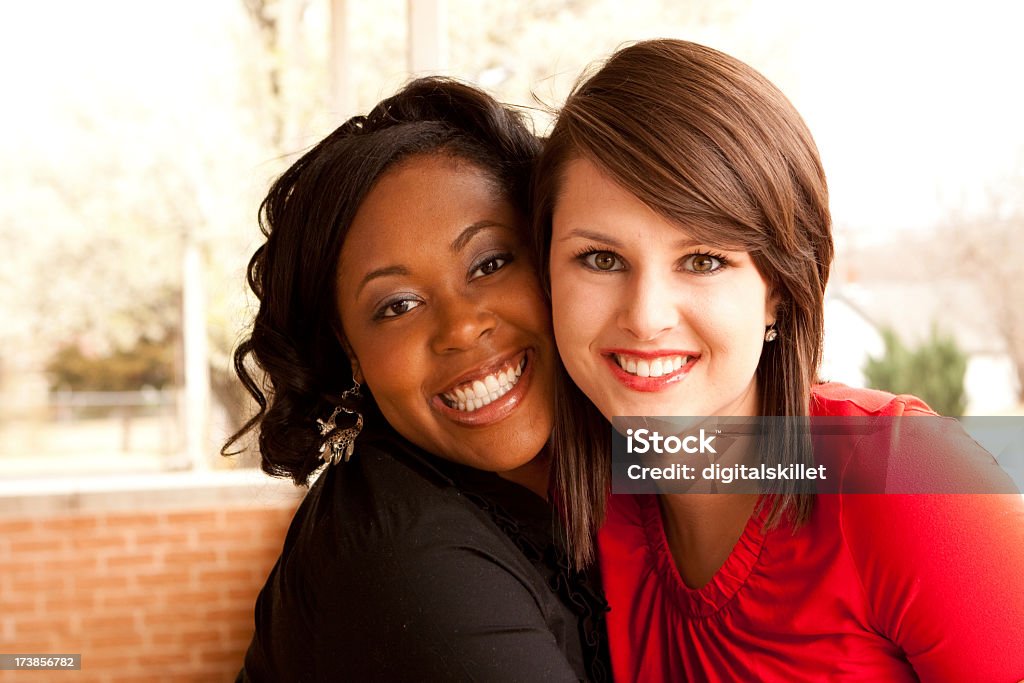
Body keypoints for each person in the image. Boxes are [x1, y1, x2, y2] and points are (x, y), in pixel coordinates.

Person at [533, 39, 1024, 681]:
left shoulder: (901, 479)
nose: (645, 315)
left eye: (705, 260)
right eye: (600, 259)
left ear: (779, 293)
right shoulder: (578, 501)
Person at [227, 77, 608, 682]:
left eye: (489, 263)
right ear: (349, 351)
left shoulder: (604, 444)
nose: (460, 327)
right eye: (397, 305)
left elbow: (803, 461)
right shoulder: (408, 560)